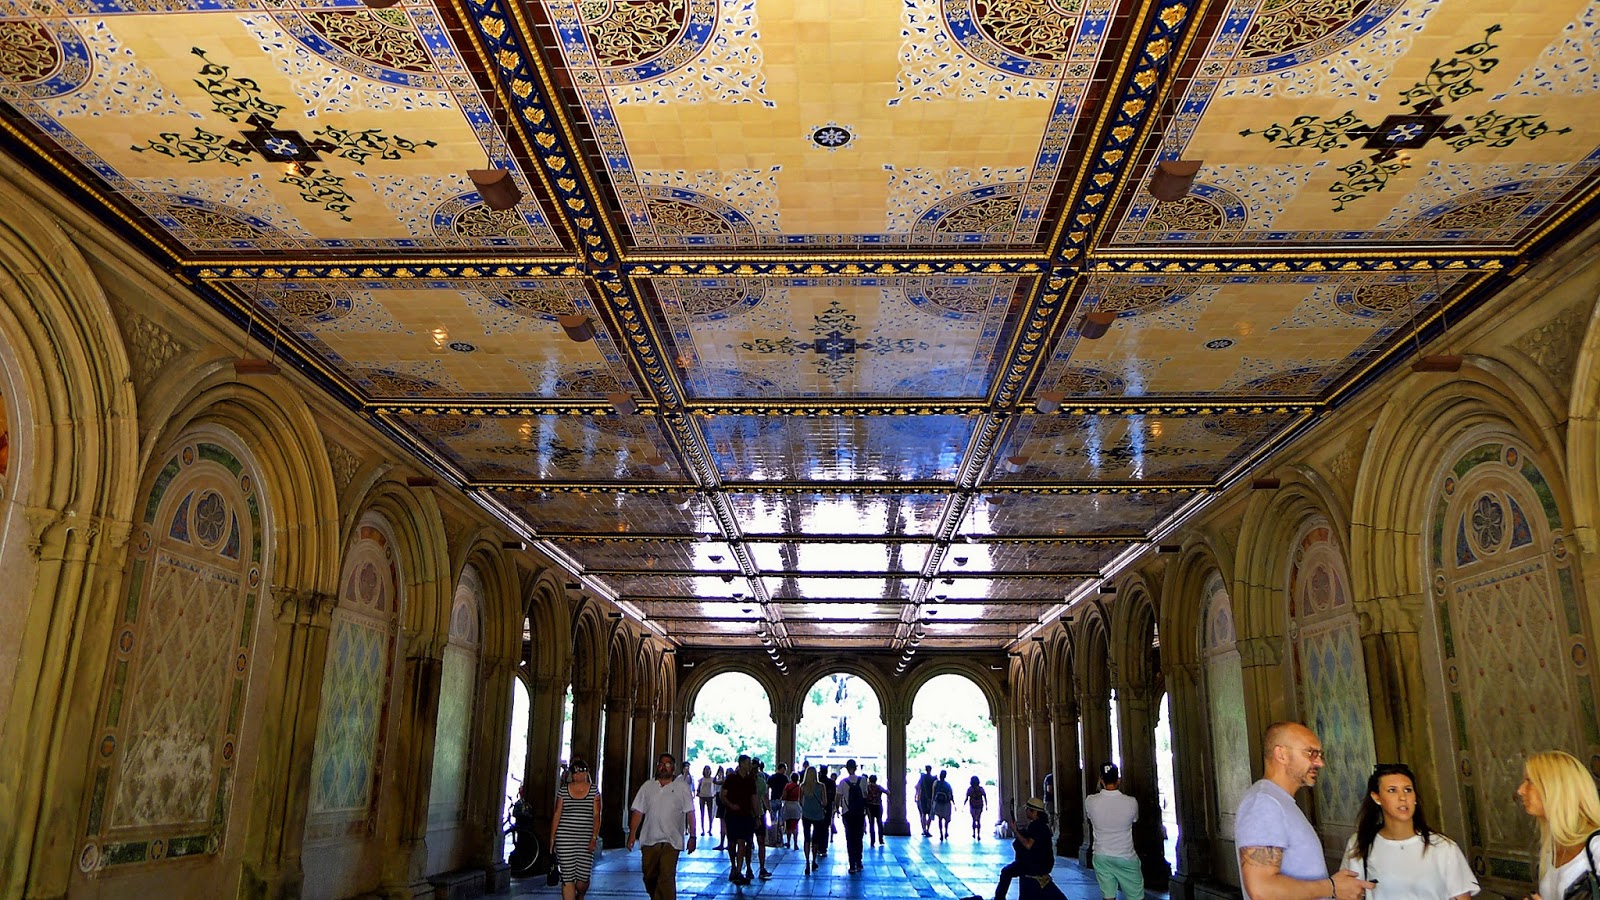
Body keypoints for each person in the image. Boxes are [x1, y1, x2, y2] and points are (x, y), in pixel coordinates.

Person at [1236, 722, 1373, 900]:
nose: (1320, 763)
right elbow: (1262, 890)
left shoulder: (1279, 802)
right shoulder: (1265, 803)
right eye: (1311, 753)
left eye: (1320, 754)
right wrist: (1332, 887)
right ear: (1281, 754)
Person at [1341, 762, 1476, 900]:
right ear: (1376, 797)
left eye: (1408, 790)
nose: (1403, 797)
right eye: (1392, 790)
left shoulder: (1443, 847)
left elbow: (1461, 896)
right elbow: (1347, 894)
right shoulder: (1361, 843)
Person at [1517, 750, 1600, 900]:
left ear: (1555, 787)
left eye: (1529, 781)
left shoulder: (1597, 845)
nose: (1521, 790)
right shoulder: (1552, 847)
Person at [627, 752, 697, 900]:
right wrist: (632, 834)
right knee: (649, 875)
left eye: (667, 764)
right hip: (650, 839)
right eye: (661, 764)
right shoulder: (648, 786)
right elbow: (638, 811)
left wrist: (693, 836)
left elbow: (690, 812)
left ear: (673, 768)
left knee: (666, 876)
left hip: (672, 841)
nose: (663, 767)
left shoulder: (682, 787)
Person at [1085, 763, 1142, 900]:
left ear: (1101, 780)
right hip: (1125, 855)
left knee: (1108, 897)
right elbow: (1134, 820)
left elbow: (1089, 817)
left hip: (1101, 855)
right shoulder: (1131, 802)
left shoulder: (1090, 801)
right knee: (1136, 897)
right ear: (1119, 780)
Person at [550, 757, 601, 900]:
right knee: (567, 877)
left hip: (585, 839)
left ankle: (581, 895)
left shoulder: (594, 791)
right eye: (575, 771)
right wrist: (552, 837)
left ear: (586, 773)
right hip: (565, 838)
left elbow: (597, 815)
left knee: (582, 879)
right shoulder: (564, 791)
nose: (577, 774)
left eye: (581, 771)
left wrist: (594, 837)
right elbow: (557, 813)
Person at [995, 797, 1058, 900]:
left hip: (1035, 865)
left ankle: (999, 898)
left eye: (1027, 809)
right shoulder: (1042, 825)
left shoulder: (1036, 826)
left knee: (1006, 872)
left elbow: (1028, 845)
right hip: (1043, 863)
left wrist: (1015, 831)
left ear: (1034, 811)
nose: (1025, 811)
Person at [720, 754, 759, 885]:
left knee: (742, 842)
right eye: (748, 763)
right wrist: (731, 805)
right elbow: (723, 795)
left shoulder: (750, 780)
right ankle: (733, 865)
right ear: (742, 763)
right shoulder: (731, 778)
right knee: (731, 843)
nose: (750, 766)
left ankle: (738, 870)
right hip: (731, 815)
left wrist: (757, 815)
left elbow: (754, 798)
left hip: (746, 814)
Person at [840, 759, 868, 873]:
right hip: (860, 813)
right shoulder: (863, 780)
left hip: (847, 813)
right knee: (859, 837)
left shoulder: (843, 782)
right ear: (856, 768)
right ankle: (859, 862)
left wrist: (837, 808)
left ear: (847, 768)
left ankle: (852, 865)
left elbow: (838, 797)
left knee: (850, 838)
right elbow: (865, 795)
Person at [800, 765, 829, 874]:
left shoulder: (802, 786)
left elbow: (800, 801)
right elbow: (825, 802)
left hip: (806, 814)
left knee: (807, 839)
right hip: (818, 815)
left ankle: (807, 862)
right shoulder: (821, 786)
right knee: (816, 840)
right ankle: (814, 860)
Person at [752, 758, 773, 880]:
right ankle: (758, 868)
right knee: (756, 842)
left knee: (756, 842)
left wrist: (769, 809)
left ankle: (758, 868)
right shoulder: (760, 781)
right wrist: (769, 809)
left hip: (756, 813)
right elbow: (765, 797)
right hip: (756, 813)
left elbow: (765, 797)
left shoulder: (760, 781)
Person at [783, 772, 803, 850]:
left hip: (788, 806)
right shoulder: (800, 787)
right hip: (796, 806)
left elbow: (784, 796)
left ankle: (788, 842)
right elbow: (801, 798)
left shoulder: (787, 786)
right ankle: (795, 844)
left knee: (788, 825)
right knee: (795, 825)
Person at [866, 774, 887, 846]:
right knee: (879, 823)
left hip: (870, 807)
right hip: (878, 806)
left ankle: (872, 841)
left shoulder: (867, 787)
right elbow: (887, 792)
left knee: (871, 823)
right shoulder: (879, 787)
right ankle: (881, 840)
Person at [934, 769, 955, 839]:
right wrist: (953, 802)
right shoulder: (947, 785)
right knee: (946, 819)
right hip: (946, 804)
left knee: (939, 819)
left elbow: (934, 793)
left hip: (939, 803)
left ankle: (941, 834)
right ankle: (946, 831)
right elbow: (951, 794)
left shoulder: (937, 784)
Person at [696, 765, 717, 834]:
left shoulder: (712, 779)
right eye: (706, 770)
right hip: (702, 796)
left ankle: (710, 829)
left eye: (708, 770)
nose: (707, 772)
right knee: (702, 813)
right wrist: (698, 793)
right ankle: (703, 829)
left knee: (710, 814)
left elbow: (715, 786)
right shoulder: (701, 779)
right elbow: (698, 788)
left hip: (710, 796)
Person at [966, 775, 989, 840]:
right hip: (979, 805)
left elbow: (967, 797)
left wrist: (964, 805)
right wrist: (986, 805)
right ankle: (978, 835)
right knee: (978, 820)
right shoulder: (981, 789)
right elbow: (984, 797)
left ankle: (973, 833)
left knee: (973, 819)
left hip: (972, 805)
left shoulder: (970, 789)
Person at [917, 765, 937, 837]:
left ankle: (924, 829)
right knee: (929, 814)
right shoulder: (934, 778)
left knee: (923, 814)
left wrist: (917, 796)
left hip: (923, 797)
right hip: (931, 798)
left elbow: (918, 786)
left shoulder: (922, 777)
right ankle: (928, 829)